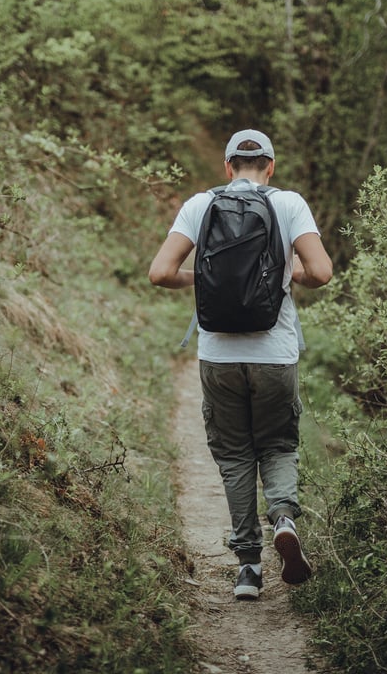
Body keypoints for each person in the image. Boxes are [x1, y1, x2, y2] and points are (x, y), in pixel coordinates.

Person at [148, 128, 333, 600]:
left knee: (233, 457)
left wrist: (205, 280)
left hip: (218, 356)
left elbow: (160, 273)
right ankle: (285, 518)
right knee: (277, 444)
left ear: (227, 167)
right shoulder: (289, 204)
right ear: (270, 167)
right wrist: (291, 273)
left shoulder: (199, 205)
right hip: (274, 355)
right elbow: (322, 273)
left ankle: (248, 568)